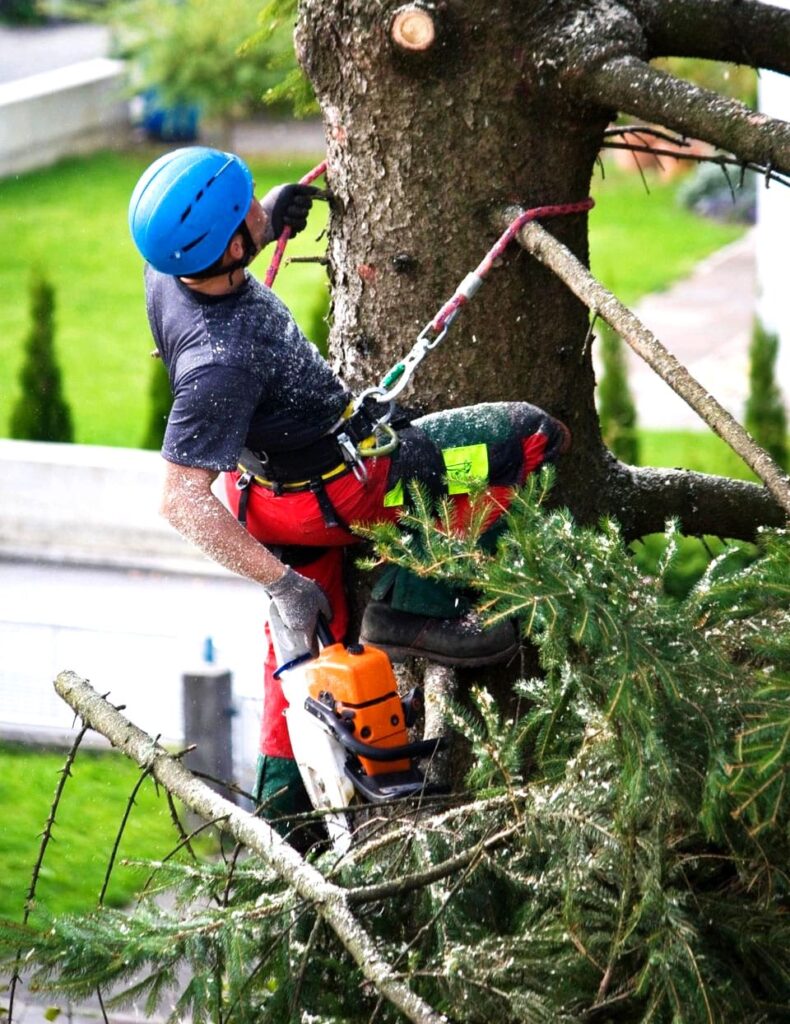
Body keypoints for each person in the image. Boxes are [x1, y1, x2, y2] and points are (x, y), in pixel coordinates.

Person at [129, 146, 571, 830]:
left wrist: (268, 220)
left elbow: (218, 246)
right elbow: (178, 499)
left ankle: (285, 818)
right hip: (345, 494)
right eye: (245, 210)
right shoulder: (222, 360)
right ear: (222, 245)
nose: (257, 210)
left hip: (270, 501)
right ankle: (420, 608)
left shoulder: (166, 268)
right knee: (525, 437)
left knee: (304, 668)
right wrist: (280, 583)